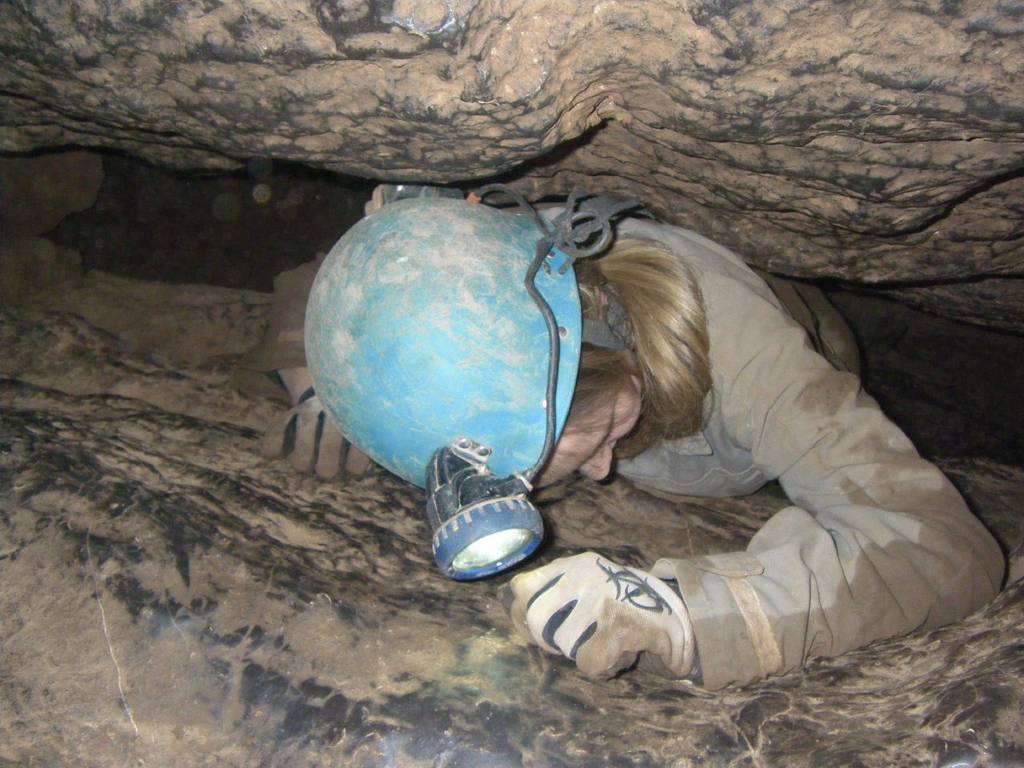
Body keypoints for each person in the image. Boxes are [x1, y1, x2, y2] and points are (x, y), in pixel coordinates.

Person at [238, 186, 1005, 690]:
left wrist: (685, 612)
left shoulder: (743, 349)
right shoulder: (477, 261)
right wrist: (337, 385)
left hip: (797, 342)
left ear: (605, 352)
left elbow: (947, 547)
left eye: (603, 431)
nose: (600, 475)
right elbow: (346, 272)